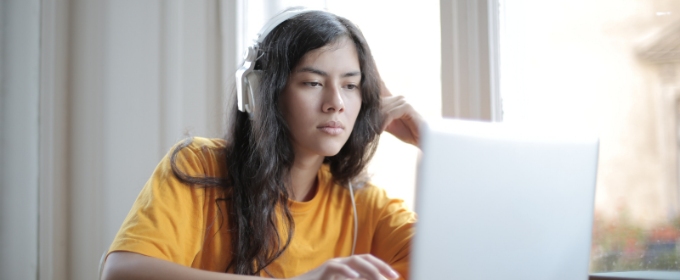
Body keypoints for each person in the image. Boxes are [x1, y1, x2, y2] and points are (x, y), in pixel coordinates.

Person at [102, 7, 422, 280]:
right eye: (313, 82)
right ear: (260, 93)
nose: (336, 102)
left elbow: (465, 261)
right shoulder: (199, 165)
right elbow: (122, 271)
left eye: (351, 85)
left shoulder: (368, 206)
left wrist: (428, 141)